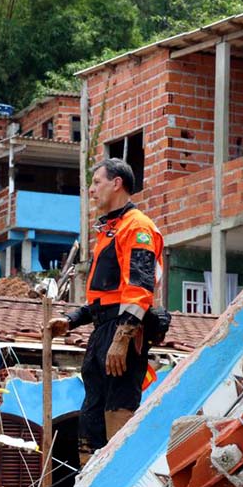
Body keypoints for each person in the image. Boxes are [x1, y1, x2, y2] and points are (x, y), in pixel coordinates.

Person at [49, 159, 164, 465]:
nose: (91, 189)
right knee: (91, 416)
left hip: (123, 330)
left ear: (117, 184)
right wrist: (72, 320)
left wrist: (122, 337)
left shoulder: (137, 227)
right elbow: (105, 297)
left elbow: (139, 288)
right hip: (102, 331)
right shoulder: (109, 230)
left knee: (118, 409)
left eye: (97, 181)